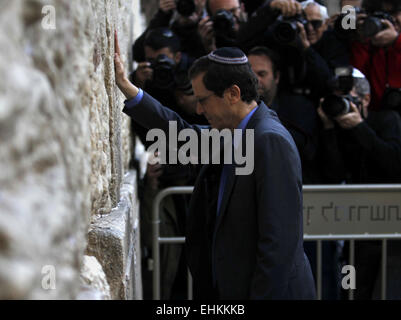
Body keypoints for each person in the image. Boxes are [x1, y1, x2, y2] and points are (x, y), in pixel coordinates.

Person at [114, 32, 316, 299]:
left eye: (203, 100)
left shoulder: (269, 141)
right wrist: (130, 90)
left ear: (232, 93)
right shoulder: (232, 133)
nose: (199, 110)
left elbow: (278, 246)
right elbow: (180, 133)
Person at [317, 69, 401, 299]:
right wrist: (328, 130)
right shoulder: (336, 129)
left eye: (349, 98)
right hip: (351, 232)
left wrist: (359, 127)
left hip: (385, 228)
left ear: (365, 99)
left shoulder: (387, 120)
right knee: (351, 289)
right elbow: (334, 173)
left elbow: (393, 163)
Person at [350, 0, 401, 111]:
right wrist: (361, 39)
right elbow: (361, 82)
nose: (390, 20)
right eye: (381, 14)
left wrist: (396, 41)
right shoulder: (371, 46)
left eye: (394, 13)